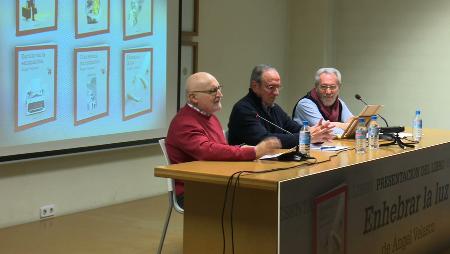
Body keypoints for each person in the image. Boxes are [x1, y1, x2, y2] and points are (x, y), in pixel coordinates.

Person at [165, 72, 281, 207]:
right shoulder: (184, 123)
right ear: (193, 97)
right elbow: (208, 151)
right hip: (193, 190)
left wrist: (247, 150)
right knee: (256, 200)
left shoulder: (210, 116)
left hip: (216, 183)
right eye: (213, 91)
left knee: (264, 194)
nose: (220, 94)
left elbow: (221, 149)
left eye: (219, 88)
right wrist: (254, 151)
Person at [228, 64, 334, 149]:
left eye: (278, 87)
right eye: (271, 87)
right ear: (255, 86)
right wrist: (307, 136)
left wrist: (317, 132)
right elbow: (265, 140)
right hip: (245, 168)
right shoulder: (243, 109)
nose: (276, 93)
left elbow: (294, 128)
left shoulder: (274, 108)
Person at [292, 68, 354, 136]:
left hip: (334, 145)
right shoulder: (305, 104)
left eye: (332, 87)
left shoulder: (339, 103)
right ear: (316, 87)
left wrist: (337, 124)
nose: (328, 92)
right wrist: (346, 127)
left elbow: (354, 125)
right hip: (306, 146)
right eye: (323, 87)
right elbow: (326, 131)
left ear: (339, 87)